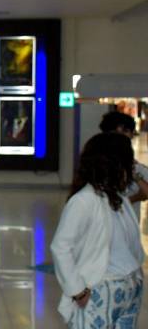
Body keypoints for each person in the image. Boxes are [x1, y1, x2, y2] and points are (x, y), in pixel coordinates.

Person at [51, 132, 145, 328]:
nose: (131, 165)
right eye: (128, 161)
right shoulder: (83, 200)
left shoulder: (118, 196)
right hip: (102, 289)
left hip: (129, 285)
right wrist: (77, 290)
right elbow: (61, 247)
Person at [100, 111, 148, 219]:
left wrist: (136, 178)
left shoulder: (135, 167)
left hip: (129, 224)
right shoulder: (96, 165)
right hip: (104, 224)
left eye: (125, 131)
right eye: (116, 132)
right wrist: (134, 198)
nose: (121, 137)